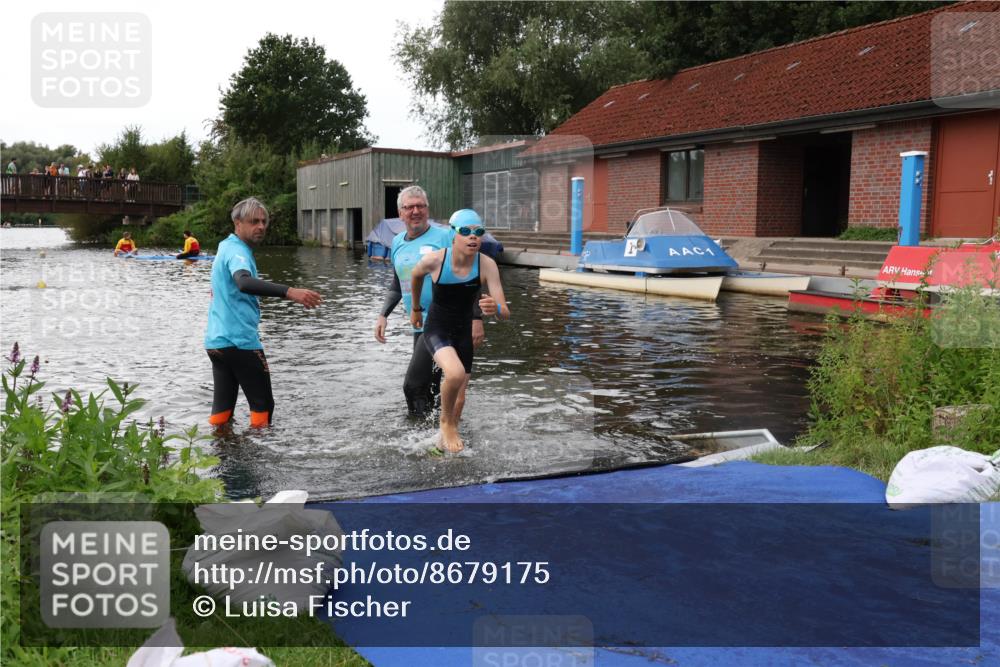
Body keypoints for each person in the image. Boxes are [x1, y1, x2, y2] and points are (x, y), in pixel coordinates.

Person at [205, 197, 322, 428]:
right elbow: (244, 282)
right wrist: (290, 292)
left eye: (263, 221)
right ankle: (259, 458)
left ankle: (220, 453)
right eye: (254, 221)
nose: (261, 226)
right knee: (263, 406)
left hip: (216, 342)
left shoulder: (225, 246)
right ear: (237, 223)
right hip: (240, 342)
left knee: (222, 409)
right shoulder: (238, 252)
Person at [373, 186, 484, 418]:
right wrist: (383, 314)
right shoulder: (397, 243)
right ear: (400, 213)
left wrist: (476, 317)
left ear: (427, 210)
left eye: (420, 206)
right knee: (429, 386)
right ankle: (439, 433)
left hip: (444, 321)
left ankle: (421, 433)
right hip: (419, 323)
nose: (416, 211)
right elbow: (397, 282)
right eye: (409, 207)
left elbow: (472, 273)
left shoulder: (445, 237)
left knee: (413, 386)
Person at [410, 209, 509, 452]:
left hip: (463, 332)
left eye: (478, 232)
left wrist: (493, 306)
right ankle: (446, 424)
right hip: (437, 328)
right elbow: (415, 275)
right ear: (453, 235)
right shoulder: (435, 260)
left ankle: (441, 444)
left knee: (460, 400)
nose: (473, 237)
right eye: (466, 232)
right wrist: (415, 309)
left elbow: (504, 311)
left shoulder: (487, 265)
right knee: (454, 374)